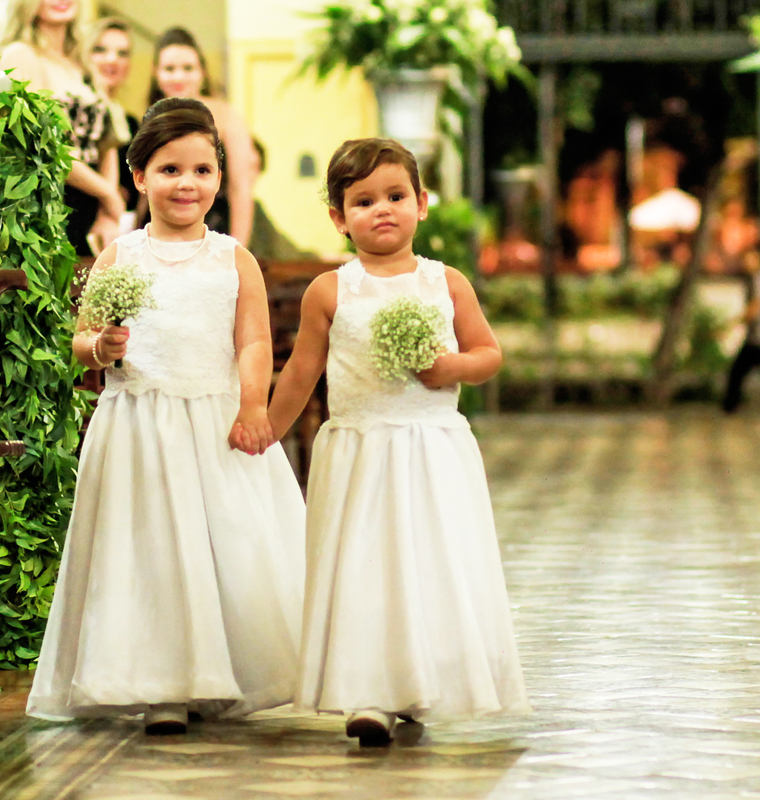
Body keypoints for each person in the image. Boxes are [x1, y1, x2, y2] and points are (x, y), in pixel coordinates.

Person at [26, 98, 306, 734]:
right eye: (171, 169)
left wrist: (254, 403)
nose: (188, 183)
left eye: (203, 170)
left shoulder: (234, 258)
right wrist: (100, 347)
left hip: (214, 420)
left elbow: (254, 340)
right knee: (148, 551)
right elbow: (83, 337)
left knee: (227, 547)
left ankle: (226, 670)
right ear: (138, 177)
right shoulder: (120, 257)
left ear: (218, 177)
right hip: (140, 423)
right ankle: (161, 684)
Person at [258, 138, 530, 746]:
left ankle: (418, 681)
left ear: (422, 204)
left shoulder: (446, 282)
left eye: (396, 196)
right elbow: (301, 372)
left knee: (425, 565)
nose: (382, 209)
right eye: (363, 201)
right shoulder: (330, 291)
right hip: (360, 451)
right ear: (338, 218)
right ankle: (368, 693)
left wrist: (449, 368)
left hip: (430, 449)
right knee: (364, 566)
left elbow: (488, 354)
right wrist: (267, 433)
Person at [0, 0, 124, 257]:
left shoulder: (82, 63)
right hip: (45, 206)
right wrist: (108, 193)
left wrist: (107, 212)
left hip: (90, 210)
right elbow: (41, 146)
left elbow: (106, 142)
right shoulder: (20, 55)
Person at [148, 27, 257, 246]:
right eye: (169, 69)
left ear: (202, 72)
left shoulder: (226, 116)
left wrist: (237, 249)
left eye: (188, 68)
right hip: (160, 233)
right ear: (156, 73)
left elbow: (241, 187)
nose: (178, 76)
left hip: (216, 227)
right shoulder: (152, 118)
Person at [86, 17, 139, 225]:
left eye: (122, 53)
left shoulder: (132, 124)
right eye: (100, 49)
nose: (112, 59)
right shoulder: (79, 115)